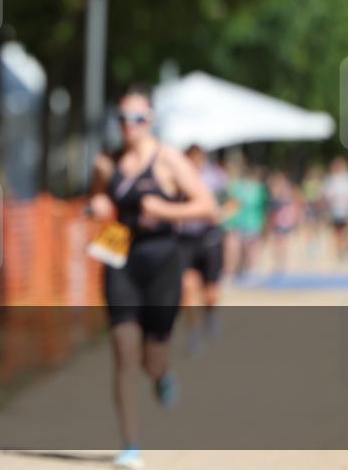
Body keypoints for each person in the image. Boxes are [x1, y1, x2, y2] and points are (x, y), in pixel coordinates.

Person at [89, 85, 216, 470]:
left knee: (151, 359)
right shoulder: (106, 163)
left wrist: (164, 210)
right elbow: (99, 200)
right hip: (119, 255)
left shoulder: (169, 160)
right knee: (123, 352)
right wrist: (97, 205)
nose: (130, 126)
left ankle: (162, 375)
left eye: (138, 118)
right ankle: (131, 445)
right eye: (123, 119)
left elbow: (207, 207)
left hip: (162, 261)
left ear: (151, 120)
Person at [177, 145, 228, 353]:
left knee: (211, 292)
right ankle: (194, 331)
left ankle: (210, 313)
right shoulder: (177, 177)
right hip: (185, 239)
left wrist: (219, 214)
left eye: (198, 159)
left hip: (209, 238)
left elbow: (232, 202)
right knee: (187, 288)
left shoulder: (216, 178)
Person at [323, 156, 348, 261]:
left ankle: (344, 247)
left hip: (347, 210)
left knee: (346, 230)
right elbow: (327, 195)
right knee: (337, 231)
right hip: (336, 210)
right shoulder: (331, 179)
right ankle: (339, 251)